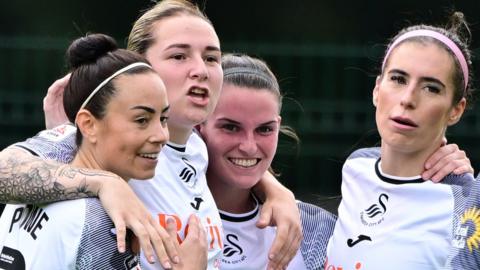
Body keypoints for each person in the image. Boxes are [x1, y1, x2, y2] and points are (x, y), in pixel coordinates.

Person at [0, 1, 302, 269]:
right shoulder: (113, 141)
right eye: (179, 56)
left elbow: (241, 154)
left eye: (211, 58)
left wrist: (276, 191)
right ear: (140, 65)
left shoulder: (197, 144)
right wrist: (106, 184)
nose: (201, 69)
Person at [0, 33, 207, 269]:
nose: (162, 135)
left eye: (163, 118)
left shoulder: (49, 157)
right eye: (141, 120)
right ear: (88, 124)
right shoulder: (103, 225)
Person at [325, 12, 477, 269]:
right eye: (398, 79)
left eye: (431, 88)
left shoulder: (467, 201)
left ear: (456, 110)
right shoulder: (356, 166)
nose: (408, 98)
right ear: (376, 89)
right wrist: (273, 190)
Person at [196, 53, 336, 269]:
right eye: (231, 127)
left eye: (265, 129)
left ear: (278, 127)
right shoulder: (160, 214)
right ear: (198, 125)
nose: (249, 146)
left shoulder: (315, 228)